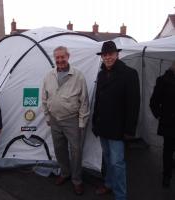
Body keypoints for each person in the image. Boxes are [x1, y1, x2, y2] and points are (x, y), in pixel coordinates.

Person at [92, 41, 140, 200]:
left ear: (117, 54)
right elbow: (98, 101)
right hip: (103, 125)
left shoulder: (129, 73)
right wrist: (95, 122)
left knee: (118, 163)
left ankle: (120, 195)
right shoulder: (101, 74)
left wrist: (129, 130)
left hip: (118, 128)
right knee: (107, 159)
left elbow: (134, 103)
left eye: (110, 54)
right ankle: (109, 184)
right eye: (105, 55)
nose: (107, 57)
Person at [42, 46, 90, 195]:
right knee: (59, 149)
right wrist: (48, 116)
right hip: (55, 120)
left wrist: (82, 122)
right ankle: (64, 173)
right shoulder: (49, 75)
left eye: (62, 57)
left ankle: (77, 180)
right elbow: (44, 97)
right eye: (57, 57)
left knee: (75, 151)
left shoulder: (78, 76)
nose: (60, 60)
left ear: (68, 57)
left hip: (72, 120)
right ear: (54, 58)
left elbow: (84, 101)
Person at [150, 61, 175, 188]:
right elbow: (154, 102)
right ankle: (167, 175)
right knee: (168, 150)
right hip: (169, 123)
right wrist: (160, 115)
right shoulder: (163, 80)